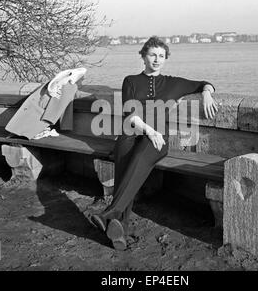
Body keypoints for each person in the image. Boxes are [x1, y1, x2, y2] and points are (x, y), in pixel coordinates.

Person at [88, 36, 217, 250]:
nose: (156, 60)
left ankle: (110, 213)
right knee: (125, 172)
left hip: (157, 140)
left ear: (165, 59)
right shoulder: (130, 81)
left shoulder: (173, 83)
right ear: (143, 56)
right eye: (152, 55)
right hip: (133, 132)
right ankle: (120, 231)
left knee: (138, 160)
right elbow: (130, 115)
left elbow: (204, 83)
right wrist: (149, 130)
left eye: (161, 56)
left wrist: (206, 93)